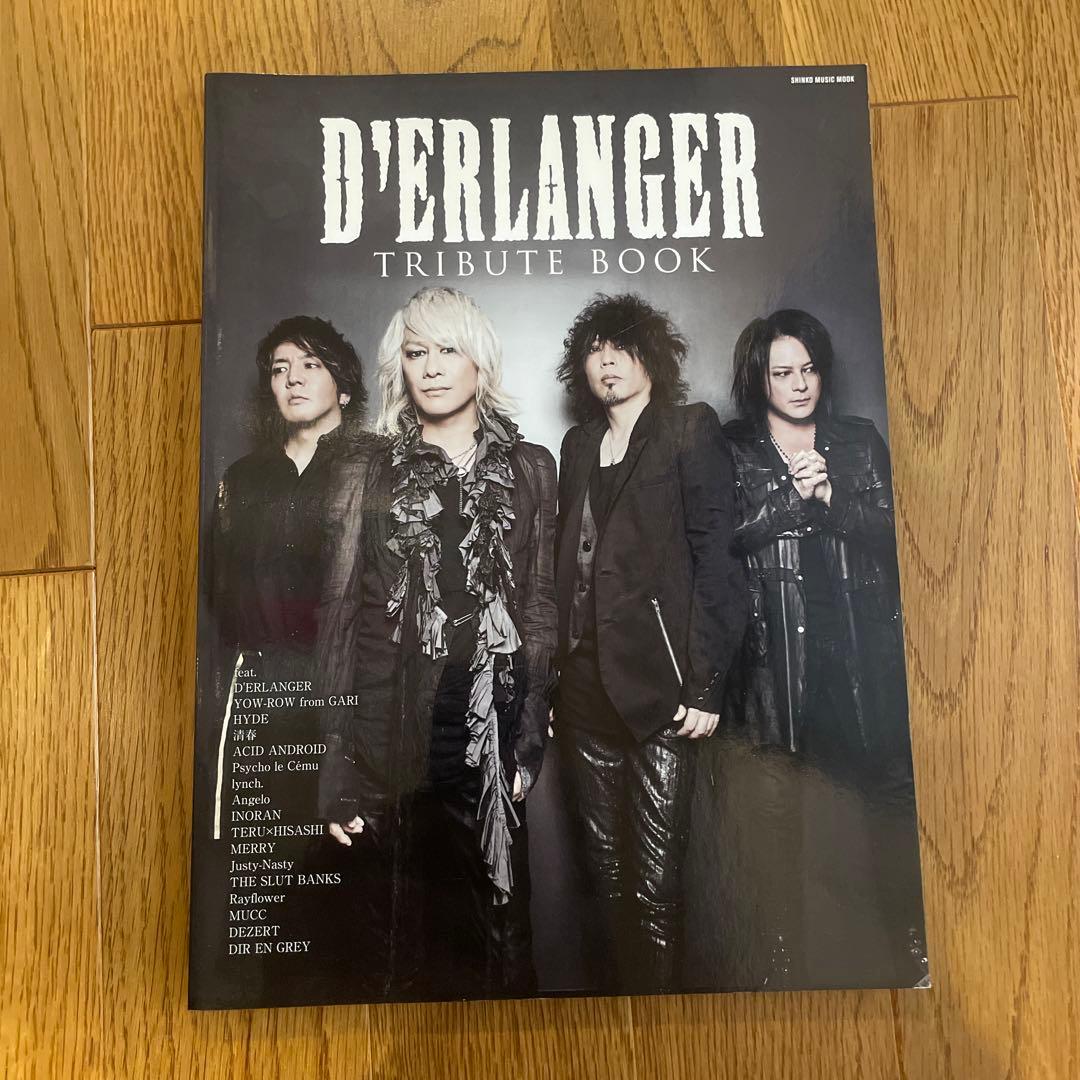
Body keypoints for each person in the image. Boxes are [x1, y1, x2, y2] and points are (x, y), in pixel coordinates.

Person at [317, 286, 557, 999]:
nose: (430, 367)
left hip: (487, 726)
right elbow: (338, 612)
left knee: (498, 938)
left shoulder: (530, 467)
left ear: (479, 362)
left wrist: (529, 736)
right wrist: (334, 758)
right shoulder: (366, 467)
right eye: (415, 352)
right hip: (386, 728)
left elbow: (539, 605)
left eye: (447, 350)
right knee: (397, 942)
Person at [722, 307, 926, 986]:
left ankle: (914, 951)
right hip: (775, 663)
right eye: (783, 373)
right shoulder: (734, 449)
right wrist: (792, 495)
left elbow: (904, 537)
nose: (800, 384)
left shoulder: (859, 441)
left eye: (808, 370)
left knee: (888, 801)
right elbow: (721, 540)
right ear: (759, 380)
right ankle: (779, 963)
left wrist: (831, 494)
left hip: (862, 656)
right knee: (776, 815)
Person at [553, 292, 748, 993]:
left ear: (651, 358)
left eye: (623, 348)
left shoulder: (689, 428)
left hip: (662, 691)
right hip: (583, 693)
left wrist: (706, 684)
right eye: (595, 350)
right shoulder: (578, 446)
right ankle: (615, 1023)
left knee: (655, 890)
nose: (607, 362)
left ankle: (659, 1026)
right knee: (603, 880)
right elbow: (569, 564)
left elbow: (719, 560)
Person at [205, 314, 371, 840]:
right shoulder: (243, 478)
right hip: (264, 691)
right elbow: (219, 595)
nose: (293, 378)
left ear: (344, 388)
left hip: (350, 693)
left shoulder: (377, 469)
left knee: (344, 858)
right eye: (280, 369)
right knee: (263, 850)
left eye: (310, 364)